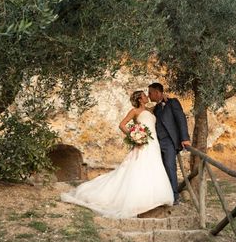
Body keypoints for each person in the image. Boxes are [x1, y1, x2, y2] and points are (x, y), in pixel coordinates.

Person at [60, 90, 174, 218]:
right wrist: (134, 136)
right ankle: (139, 201)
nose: (147, 96)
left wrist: (164, 97)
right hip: (142, 144)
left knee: (153, 167)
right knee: (139, 168)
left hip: (154, 144)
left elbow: (159, 104)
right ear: (140, 99)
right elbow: (122, 125)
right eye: (144, 95)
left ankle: (154, 198)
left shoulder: (150, 111)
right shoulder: (135, 111)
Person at [148, 82, 191, 205]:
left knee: (170, 167)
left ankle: (174, 196)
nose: (149, 96)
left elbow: (181, 119)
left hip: (169, 141)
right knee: (159, 169)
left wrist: (185, 138)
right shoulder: (155, 108)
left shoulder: (172, 102)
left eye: (150, 93)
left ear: (157, 93)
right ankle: (161, 195)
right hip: (156, 143)